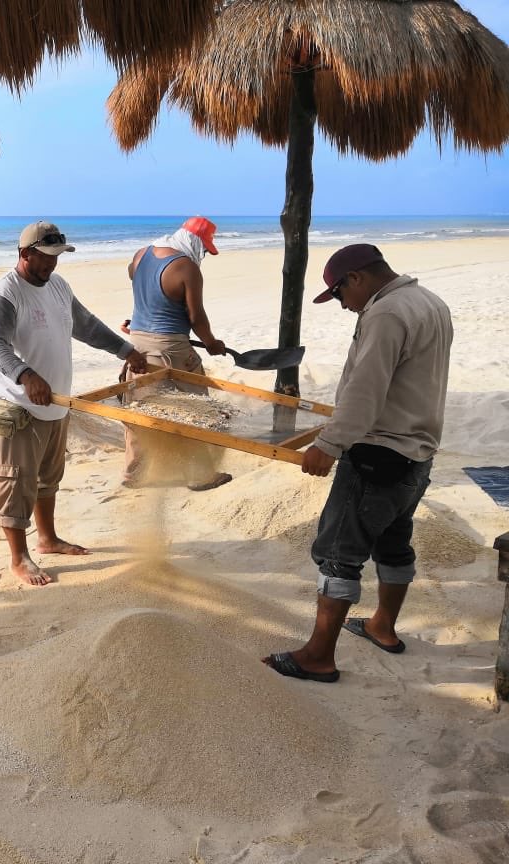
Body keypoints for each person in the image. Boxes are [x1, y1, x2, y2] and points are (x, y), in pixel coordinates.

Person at [263, 244, 453, 683]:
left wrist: (329, 444)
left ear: (357, 279)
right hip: (417, 452)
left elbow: (366, 391)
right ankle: (382, 627)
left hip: (378, 452)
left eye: (339, 294)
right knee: (393, 541)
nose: (344, 306)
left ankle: (318, 657)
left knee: (337, 555)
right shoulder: (429, 301)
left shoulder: (385, 314)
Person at [0, 221, 149, 586]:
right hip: (16, 405)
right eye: (45, 258)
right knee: (15, 482)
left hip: (55, 402)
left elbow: (85, 325)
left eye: (57, 258)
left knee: (47, 478)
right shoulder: (4, 295)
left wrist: (126, 350)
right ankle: (18, 557)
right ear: (25, 254)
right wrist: (26, 375)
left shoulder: (57, 286)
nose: (52, 266)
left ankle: (47, 539)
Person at [120, 216, 232, 491]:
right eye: (204, 248)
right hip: (172, 349)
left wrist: (137, 322)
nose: (203, 254)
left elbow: (145, 294)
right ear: (194, 241)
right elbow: (196, 318)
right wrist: (212, 343)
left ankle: (133, 473)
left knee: (139, 409)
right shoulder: (186, 268)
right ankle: (199, 474)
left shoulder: (140, 255)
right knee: (195, 408)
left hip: (138, 346)